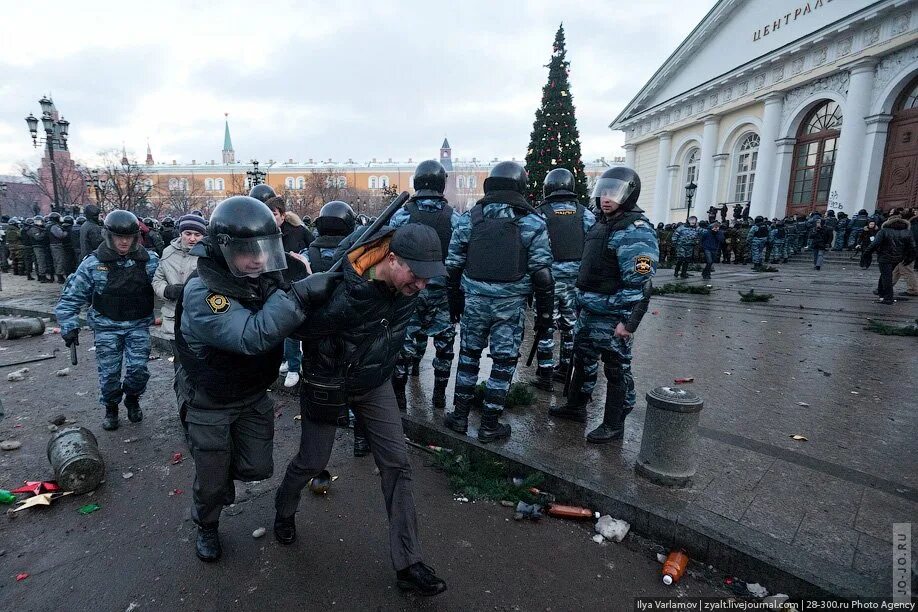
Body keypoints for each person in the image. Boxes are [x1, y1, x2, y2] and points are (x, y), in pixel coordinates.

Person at [274, 223, 448, 597]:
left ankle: (409, 563)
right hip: (328, 382)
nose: (420, 286)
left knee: (397, 464)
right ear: (392, 259)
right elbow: (295, 330)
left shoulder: (409, 287)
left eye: (426, 279)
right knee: (311, 460)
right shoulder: (343, 284)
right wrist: (315, 302)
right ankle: (284, 510)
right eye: (415, 276)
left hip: (374, 382)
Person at [173, 195, 320, 562]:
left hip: (252, 393)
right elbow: (250, 335)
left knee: (257, 467)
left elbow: (295, 321)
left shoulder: (260, 278)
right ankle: (207, 524)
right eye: (246, 251)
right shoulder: (203, 291)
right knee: (211, 480)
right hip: (210, 399)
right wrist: (298, 295)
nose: (258, 259)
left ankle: (223, 479)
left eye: (264, 249)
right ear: (223, 250)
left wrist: (314, 282)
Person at [444, 161, 554, 442]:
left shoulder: (470, 218)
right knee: (503, 363)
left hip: (475, 302)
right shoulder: (532, 222)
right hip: (510, 305)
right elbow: (542, 276)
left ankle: (459, 416)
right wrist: (544, 317)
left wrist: (454, 302)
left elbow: (453, 266)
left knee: (468, 357)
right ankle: (490, 423)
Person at [550, 166, 658, 443]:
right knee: (582, 361)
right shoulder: (600, 223)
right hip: (588, 310)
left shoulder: (636, 231)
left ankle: (614, 422)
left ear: (629, 195)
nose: (606, 199)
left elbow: (640, 284)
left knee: (616, 368)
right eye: (604, 193)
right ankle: (576, 407)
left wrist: (628, 323)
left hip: (613, 316)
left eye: (614, 194)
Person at [54, 210, 159, 431]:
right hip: (106, 327)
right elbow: (71, 297)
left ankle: (132, 398)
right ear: (109, 236)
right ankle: (111, 407)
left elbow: (167, 285)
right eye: (119, 237)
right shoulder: (93, 264)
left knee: (138, 371)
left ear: (135, 237)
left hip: (138, 325)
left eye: (128, 237)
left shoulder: (149, 261)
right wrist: (69, 325)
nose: (123, 242)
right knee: (109, 374)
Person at [387, 160, 462, 412]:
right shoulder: (456, 219)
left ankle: (400, 398)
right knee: (444, 346)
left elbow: (388, 251)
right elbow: (462, 258)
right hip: (443, 292)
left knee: (403, 345)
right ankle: (439, 396)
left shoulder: (401, 215)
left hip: (408, 290)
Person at [530, 168, 596, 390]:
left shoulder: (540, 213)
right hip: (575, 281)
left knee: (545, 324)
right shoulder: (585, 214)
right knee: (571, 325)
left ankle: (546, 373)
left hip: (547, 280)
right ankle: (565, 368)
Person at [252, 184, 313, 388]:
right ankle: (286, 360)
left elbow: (311, 246)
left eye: (274, 213)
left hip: (292, 284)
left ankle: (294, 366)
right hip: (270, 285)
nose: (270, 217)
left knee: (291, 326)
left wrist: (303, 259)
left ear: (282, 215)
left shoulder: (296, 231)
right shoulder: (260, 232)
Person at [152, 214, 206, 426]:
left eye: (197, 234)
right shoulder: (167, 253)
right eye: (188, 233)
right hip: (174, 320)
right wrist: (167, 290)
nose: (192, 238)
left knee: (200, 370)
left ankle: (202, 415)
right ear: (181, 234)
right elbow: (157, 279)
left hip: (200, 320)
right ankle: (185, 417)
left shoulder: (208, 254)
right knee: (181, 372)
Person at [863, 215, 916, 305]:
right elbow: (912, 247)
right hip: (898, 257)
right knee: (885, 274)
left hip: (884, 257)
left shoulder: (884, 231)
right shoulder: (907, 232)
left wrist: (866, 254)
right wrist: (909, 257)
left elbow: (874, 244)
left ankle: (888, 298)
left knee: (886, 276)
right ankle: (881, 292)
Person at [891, 213, 918, 297]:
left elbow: (909, 241)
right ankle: (886, 286)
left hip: (906, 252)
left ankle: (913, 289)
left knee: (907, 270)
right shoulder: (913, 226)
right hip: (909, 252)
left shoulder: (912, 227)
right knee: (897, 270)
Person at [47, 212, 69, 283]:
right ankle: (60, 276)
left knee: (57, 261)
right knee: (60, 260)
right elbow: (60, 235)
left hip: (53, 245)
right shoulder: (54, 226)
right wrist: (66, 232)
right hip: (56, 245)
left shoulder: (49, 225)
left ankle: (58, 275)